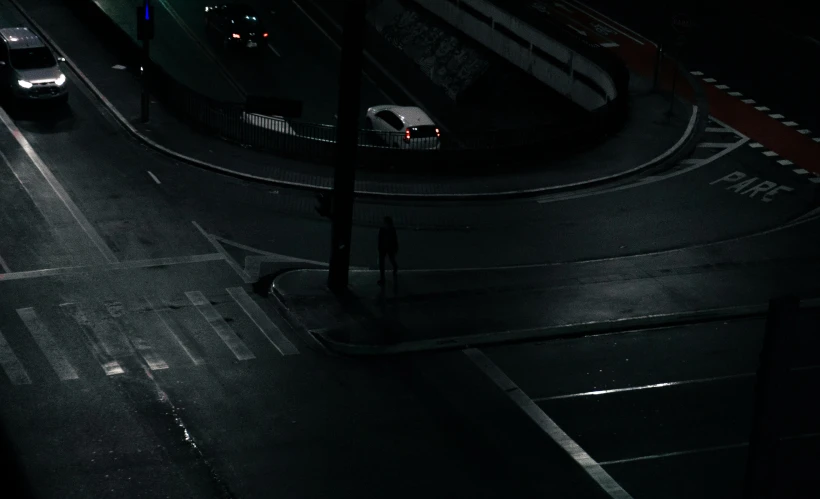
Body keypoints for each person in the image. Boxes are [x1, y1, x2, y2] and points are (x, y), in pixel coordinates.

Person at [378, 216, 398, 285]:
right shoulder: (388, 229)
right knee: (382, 263)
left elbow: (394, 240)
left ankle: (383, 279)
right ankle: (382, 279)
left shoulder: (389, 229)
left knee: (388, 261)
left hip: (389, 248)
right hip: (385, 248)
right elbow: (380, 240)